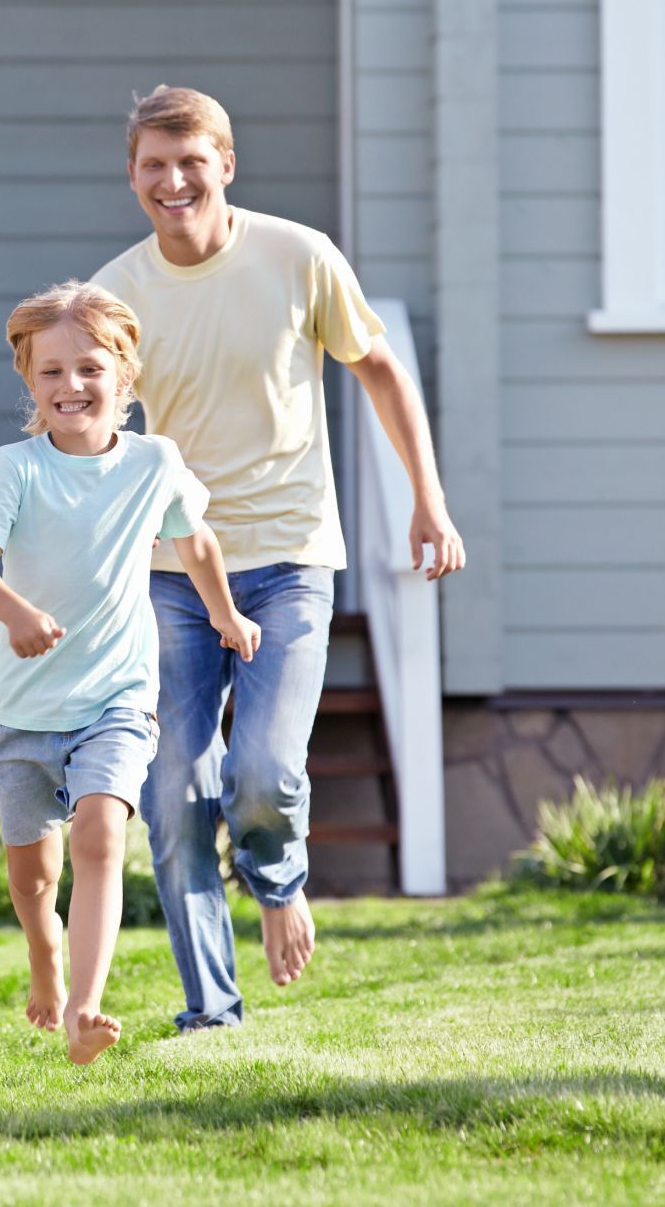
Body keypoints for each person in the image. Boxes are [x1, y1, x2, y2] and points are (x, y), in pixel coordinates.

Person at [92, 86, 466, 1031]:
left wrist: (428, 498)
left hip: (291, 559)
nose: (173, 182)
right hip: (172, 572)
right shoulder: (116, 296)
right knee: (171, 790)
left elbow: (380, 370)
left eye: (191, 161)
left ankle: (279, 881)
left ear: (225, 163)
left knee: (261, 769)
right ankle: (209, 1011)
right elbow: (92, 434)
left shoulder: (298, 256)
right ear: (131, 173)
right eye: (153, 165)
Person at [0, 281, 260, 1064]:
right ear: (29, 380)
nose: (71, 386)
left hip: (118, 696)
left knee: (98, 834)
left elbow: (197, 543)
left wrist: (225, 613)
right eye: (50, 371)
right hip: (24, 708)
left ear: (124, 377)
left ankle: (86, 1010)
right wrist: (15, 614)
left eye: (89, 368)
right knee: (33, 876)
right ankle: (44, 955)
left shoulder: (155, 463)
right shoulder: (14, 469)